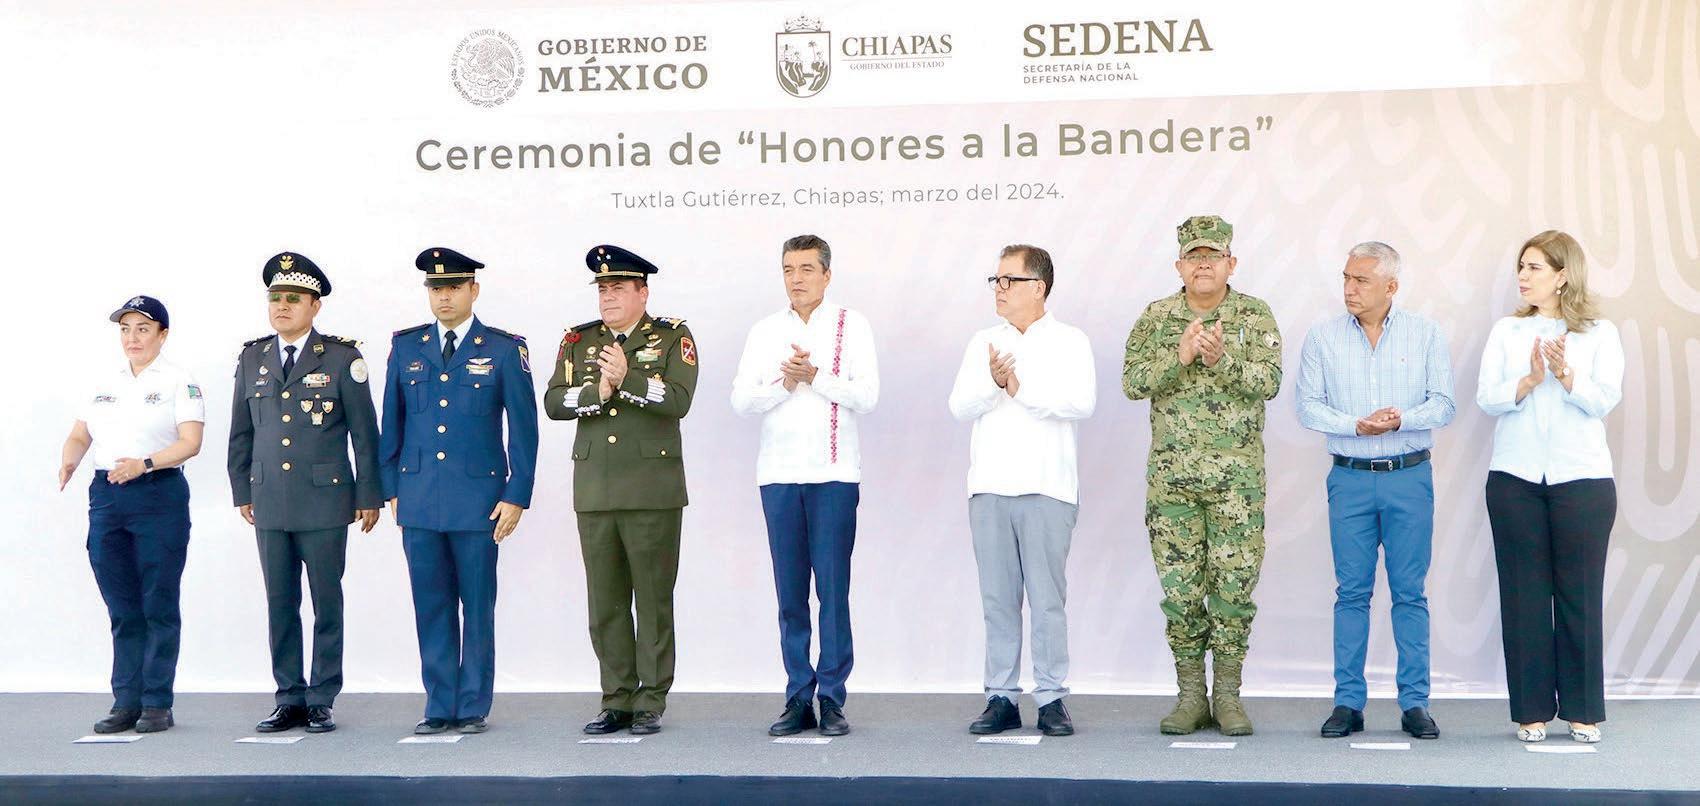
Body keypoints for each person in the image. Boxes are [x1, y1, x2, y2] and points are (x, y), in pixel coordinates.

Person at [1123, 215, 1282, 736]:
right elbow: (1132, 381)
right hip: (1173, 483)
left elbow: (1270, 381)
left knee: (1233, 589)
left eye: (1213, 256)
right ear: (1179, 266)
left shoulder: (1254, 315)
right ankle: (1191, 696)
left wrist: (1222, 360)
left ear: (1231, 263)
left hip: (1237, 485)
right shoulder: (1157, 317)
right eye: (1194, 257)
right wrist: (1181, 356)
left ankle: (1228, 697)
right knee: (1182, 593)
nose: (1204, 265)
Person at [1297, 242, 1455, 740]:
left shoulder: (1425, 333)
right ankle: (1348, 703)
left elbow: (1444, 403)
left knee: (1410, 593)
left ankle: (1415, 704)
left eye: (1361, 280)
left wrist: (1401, 419)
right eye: (1346, 277)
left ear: (1391, 286)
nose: (1349, 288)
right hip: (1349, 479)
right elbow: (1307, 406)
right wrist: (1356, 426)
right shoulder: (1322, 337)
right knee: (1351, 593)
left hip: (1409, 477)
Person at [380, 247, 538, 735]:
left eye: (453, 287)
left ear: (474, 290)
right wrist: (391, 487)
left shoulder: (504, 349)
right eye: (435, 288)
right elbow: (392, 423)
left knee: (477, 605)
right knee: (430, 605)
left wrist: (517, 493)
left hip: (479, 502)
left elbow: (524, 429)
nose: (443, 296)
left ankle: (471, 704)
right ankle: (438, 702)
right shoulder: (407, 347)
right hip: (419, 498)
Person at [544, 245, 699, 736]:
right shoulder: (578, 340)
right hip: (596, 489)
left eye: (617, 288)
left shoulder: (671, 336)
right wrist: (598, 392)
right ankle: (616, 698)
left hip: (652, 490)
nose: (607, 297)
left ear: (642, 293)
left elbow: (678, 400)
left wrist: (627, 379)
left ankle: (650, 699)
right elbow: (554, 402)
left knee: (652, 600)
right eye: (602, 289)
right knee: (606, 603)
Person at [1477, 230, 1623, 744]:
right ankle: (1531, 711)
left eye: (1534, 267)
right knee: (1524, 598)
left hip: (1582, 481)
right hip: (1514, 480)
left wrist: (1566, 376)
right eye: (1521, 267)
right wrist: (1529, 379)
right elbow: (1486, 397)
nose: (1523, 276)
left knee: (1579, 596)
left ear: (1563, 275)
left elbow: (1604, 400)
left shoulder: (1600, 333)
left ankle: (1583, 711)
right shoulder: (1507, 331)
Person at [730, 234, 879, 737]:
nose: (797, 279)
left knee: (833, 590)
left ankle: (832, 697)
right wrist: (787, 383)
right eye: (789, 269)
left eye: (807, 269)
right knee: (790, 593)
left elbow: (867, 395)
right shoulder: (765, 331)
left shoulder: (851, 325)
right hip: (778, 476)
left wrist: (816, 376)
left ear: (827, 275)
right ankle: (798, 695)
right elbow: (741, 400)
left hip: (833, 476)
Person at [228, 252, 382, 734]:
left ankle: (321, 697)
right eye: (275, 298)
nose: (282, 306)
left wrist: (369, 495)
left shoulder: (341, 358)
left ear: (315, 306)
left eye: (293, 299)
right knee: (280, 603)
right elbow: (241, 432)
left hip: (325, 501)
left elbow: (365, 433)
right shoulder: (252, 357)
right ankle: (289, 696)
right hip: (269, 500)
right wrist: (241, 488)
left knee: (325, 603)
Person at [948, 244, 1095, 737]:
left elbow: (1081, 403)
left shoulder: (1070, 340)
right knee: (998, 600)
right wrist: (993, 383)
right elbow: (960, 406)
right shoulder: (983, 341)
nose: (1000, 289)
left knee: (1047, 600)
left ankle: (1051, 697)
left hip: (1048, 488)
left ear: (1039, 287)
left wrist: (1018, 388)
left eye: (1010, 280)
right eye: (996, 280)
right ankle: (1001, 696)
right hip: (990, 487)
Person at [59, 295, 204, 734]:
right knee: (122, 604)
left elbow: (191, 442)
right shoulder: (105, 381)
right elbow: (80, 433)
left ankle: (156, 702)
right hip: (108, 497)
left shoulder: (179, 381)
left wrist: (144, 464)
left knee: (157, 601)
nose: (132, 338)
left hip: (157, 493)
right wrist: (69, 458)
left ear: (162, 334)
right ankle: (126, 700)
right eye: (125, 329)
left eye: (143, 328)